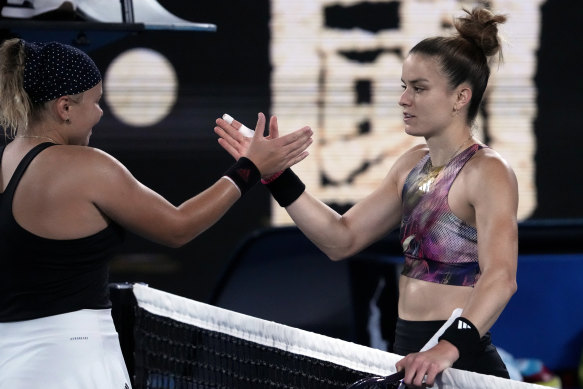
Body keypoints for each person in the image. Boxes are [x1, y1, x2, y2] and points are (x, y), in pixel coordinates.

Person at [215, 7, 518, 387]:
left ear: (460, 97)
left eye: (419, 88)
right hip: (409, 352)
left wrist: (446, 347)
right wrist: (276, 175)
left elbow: (502, 277)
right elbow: (341, 238)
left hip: (460, 359)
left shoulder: (488, 171)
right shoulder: (411, 166)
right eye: (403, 86)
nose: (403, 100)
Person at [0, 38, 312, 389]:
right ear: (65, 108)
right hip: (74, 366)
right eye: (96, 101)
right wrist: (251, 168)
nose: (101, 113)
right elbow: (177, 227)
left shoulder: (8, 157)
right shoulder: (86, 167)